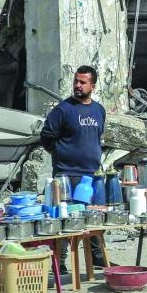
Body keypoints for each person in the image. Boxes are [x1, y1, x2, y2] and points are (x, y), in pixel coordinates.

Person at [40, 65, 109, 272]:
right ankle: (59, 263)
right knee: (63, 220)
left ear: (93, 86)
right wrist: (61, 154)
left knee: (92, 218)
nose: (78, 86)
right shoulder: (63, 109)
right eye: (76, 81)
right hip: (65, 175)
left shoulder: (99, 110)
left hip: (90, 175)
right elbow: (46, 137)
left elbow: (97, 138)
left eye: (83, 82)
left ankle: (97, 257)